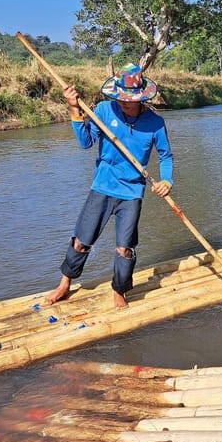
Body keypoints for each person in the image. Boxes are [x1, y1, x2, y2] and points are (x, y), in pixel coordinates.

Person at [45, 63, 174, 310]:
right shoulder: (104, 110)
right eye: (121, 97)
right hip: (103, 187)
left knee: (125, 248)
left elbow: (166, 156)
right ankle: (65, 284)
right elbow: (86, 142)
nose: (124, 102)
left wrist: (167, 181)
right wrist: (74, 109)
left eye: (130, 99)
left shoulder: (155, 123)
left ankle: (120, 291)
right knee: (81, 241)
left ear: (141, 97)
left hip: (132, 192)